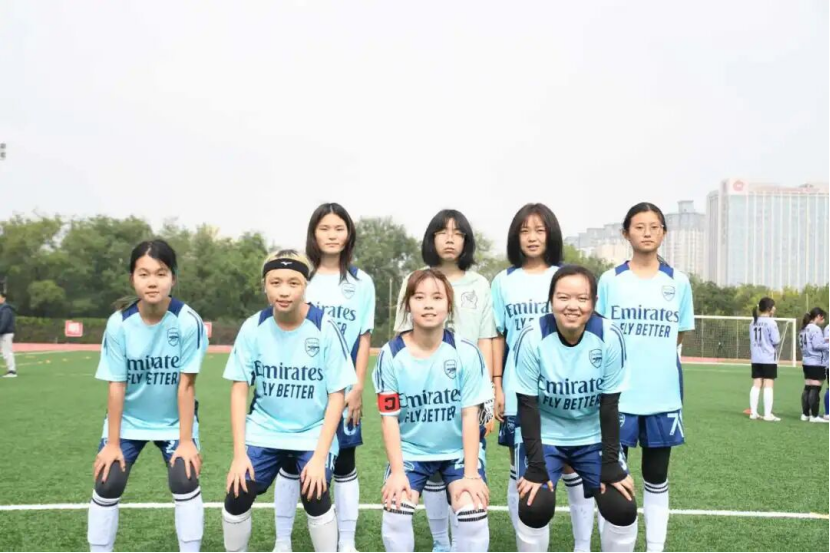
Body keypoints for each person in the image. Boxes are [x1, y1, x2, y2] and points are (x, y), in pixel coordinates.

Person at [221, 250, 356, 553]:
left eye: (293, 283)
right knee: (238, 490)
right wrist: (239, 455)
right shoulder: (253, 327)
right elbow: (239, 389)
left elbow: (337, 395)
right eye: (276, 282)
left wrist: (319, 458)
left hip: (312, 432)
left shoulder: (324, 327)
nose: (284, 291)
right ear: (264, 285)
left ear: (305, 285)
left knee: (315, 492)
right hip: (264, 430)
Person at [87, 240, 207, 553]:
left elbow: (187, 386)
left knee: (185, 477)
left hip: (174, 423)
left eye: (161, 273)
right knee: (108, 479)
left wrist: (185, 442)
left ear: (173, 278)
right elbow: (116, 385)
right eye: (144, 274)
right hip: (129, 421)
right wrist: (113, 444)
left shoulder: (188, 321)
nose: (152, 282)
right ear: (132, 279)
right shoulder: (119, 323)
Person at [510, 265, 638, 553]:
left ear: (593, 302)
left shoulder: (609, 335)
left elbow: (610, 405)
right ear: (551, 300)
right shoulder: (531, 336)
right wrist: (536, 466)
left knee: (621, 506)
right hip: (545, 434)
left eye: (582, 298)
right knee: (534, 505)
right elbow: (527, 406)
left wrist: (610, 464)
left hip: (591, 435)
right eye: (563, 297)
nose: (572, 306)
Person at [274, 204, 376, 553]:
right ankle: (282, 541)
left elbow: (364, 337)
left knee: (344, 462)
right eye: (324, 228)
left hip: (343, 388)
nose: (332, 235)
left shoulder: (362, 283)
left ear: (349, 234)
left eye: (339, 228)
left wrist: (357, 385)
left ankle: (345, 541)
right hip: (301, 387)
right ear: (313, 234)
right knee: (290, 462)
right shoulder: (301, 277)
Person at [393, 209, 496, 553]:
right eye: (442, 232)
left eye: (458, 233)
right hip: (425, 393)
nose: (450, 239)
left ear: (466, 241)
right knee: (431, 465)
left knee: (460, 463)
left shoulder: (479, 284)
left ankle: (458, 537)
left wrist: (489, 394)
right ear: (431, 238)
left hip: (466, 392)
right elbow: (401, 337)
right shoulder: (414, 279)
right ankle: (440, 541)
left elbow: (486, 339)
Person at [596, 203, 695, 553]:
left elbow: (678, 335)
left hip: (661, 395)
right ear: (626, 233)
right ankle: (612, 546)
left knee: (656, 477)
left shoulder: (678, 282)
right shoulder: (610, 280)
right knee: (612, 477)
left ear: (664, 233)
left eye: (655, 226)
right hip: (618, 396)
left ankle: (655, 546)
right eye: (639, 226)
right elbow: (600, 334)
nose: (647, 232)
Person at [374, 269, 492, 553]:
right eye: (419, 297)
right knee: (396, 512)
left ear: (449, 305)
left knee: (473, 513)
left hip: (457, 452)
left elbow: (470, 416)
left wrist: (471, 475)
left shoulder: (466, 352)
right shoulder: (390, 355)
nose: (428, 304)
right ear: (407, 305)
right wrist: (397, 472)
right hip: (411, 452)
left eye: (437, 297)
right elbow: (389, 419)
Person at [749, 298, 781, 421]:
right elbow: (776, 341)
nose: (775, 308)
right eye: (773, 306)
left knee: (756, 384)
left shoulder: (753, 322)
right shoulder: (771, 323)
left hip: (756, 357)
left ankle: (753, 413)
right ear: (769, 308)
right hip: (768, 358)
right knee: (768, 384)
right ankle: (767, 414)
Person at [798, 308, 829, 424]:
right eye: (823, 318)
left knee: (808, 387)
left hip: (806, 361)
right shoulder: (815, 329)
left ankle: (805, 414)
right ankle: (814, 416)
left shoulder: (804, 328)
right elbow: (817, 345)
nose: (824, 320)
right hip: (816, 362)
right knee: (815, 388)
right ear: (819, 316)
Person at [0, 290, 16, 378]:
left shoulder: (5, 309)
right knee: (5, 352)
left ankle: (12, 371)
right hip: (3, 333)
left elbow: (4, 323)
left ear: (3, 298)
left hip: (6, 333)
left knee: (7, 352)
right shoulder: (2, 308)